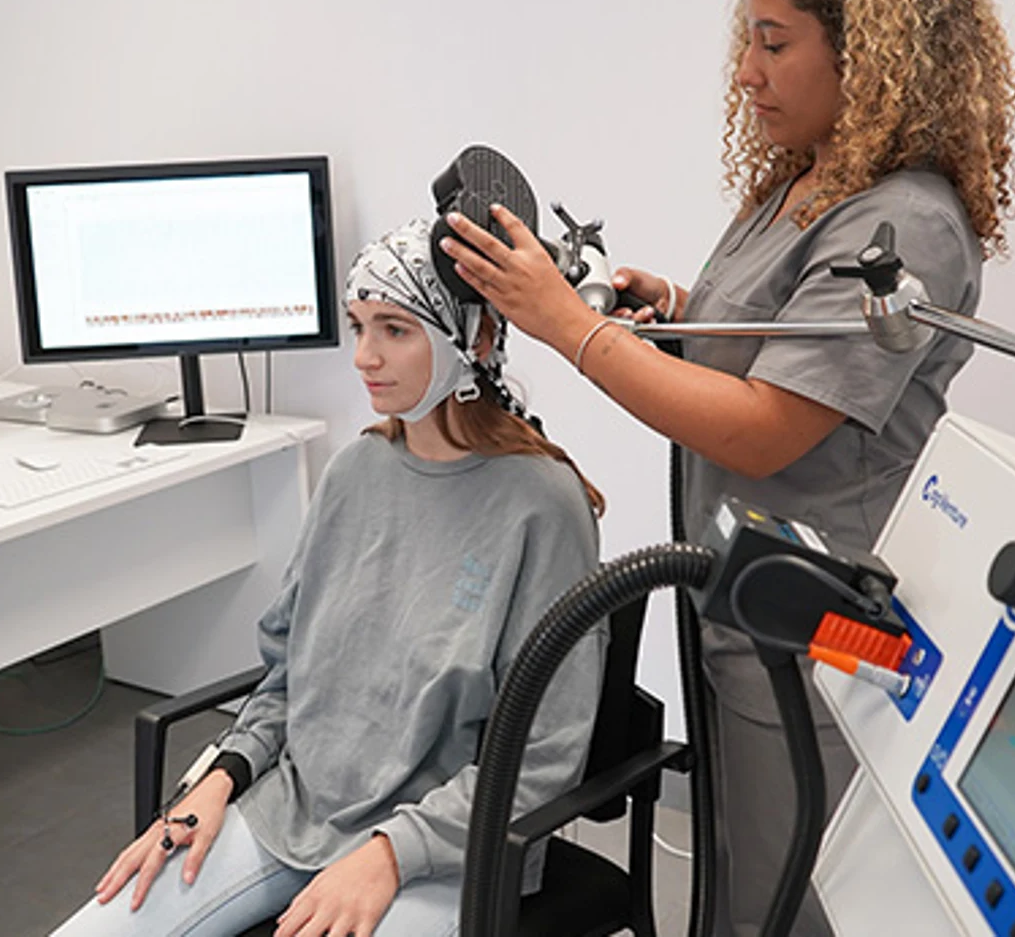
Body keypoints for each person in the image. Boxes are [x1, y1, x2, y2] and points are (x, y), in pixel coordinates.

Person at [440, 0, 1015, 936]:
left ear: (872, 56)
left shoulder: (905, 219)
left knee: (788, 893)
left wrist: (567, 325)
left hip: (813, 633)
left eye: (771, 43)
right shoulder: (802, 184)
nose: (744, 73)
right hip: (738, 604)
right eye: (744, 41)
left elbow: (765, 425)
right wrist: (680, 321)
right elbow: (769, 347)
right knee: (738, 876)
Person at [49, 218, 607, 937]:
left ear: (478, 339)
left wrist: (389, 853)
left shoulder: (543, 504)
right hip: (297, 806)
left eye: (396, 329)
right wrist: (220, 776)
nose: (365, 356)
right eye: (358, 326)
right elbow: (285, 678)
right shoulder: (355, 472)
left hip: (451, 847)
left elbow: (543, 754)